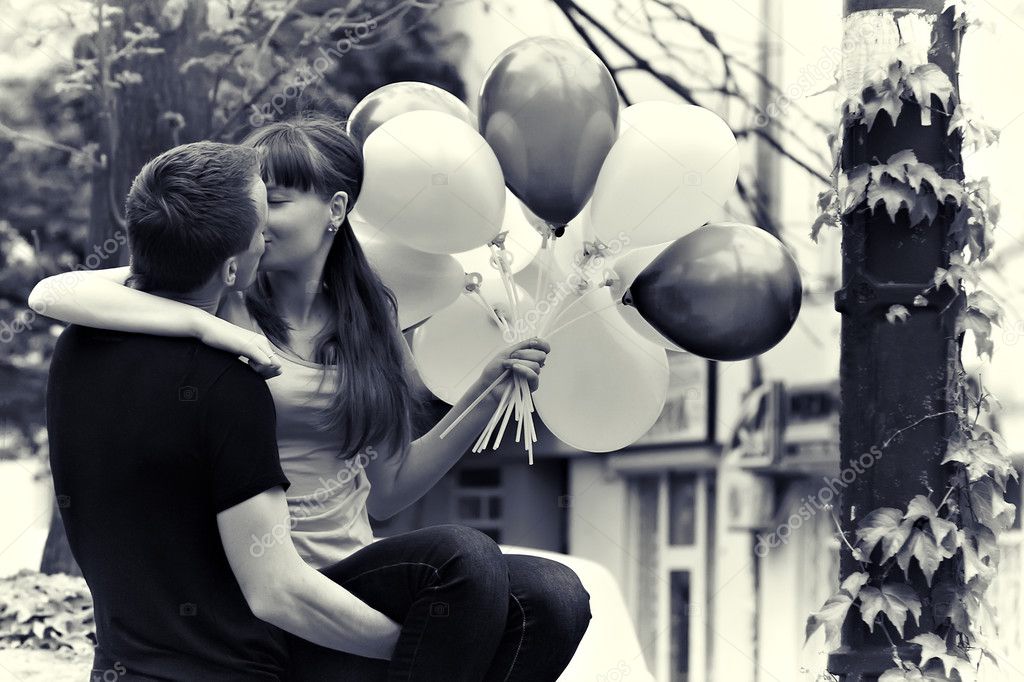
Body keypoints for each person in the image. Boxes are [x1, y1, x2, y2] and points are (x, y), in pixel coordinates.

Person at [33, 117, 591, 681]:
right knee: (465, 561)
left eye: (272, 202)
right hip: (261, 582)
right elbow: (59, 291)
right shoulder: (223, 289)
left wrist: (484, 395)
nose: (257, 222)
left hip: (348, 571)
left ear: (336, 209)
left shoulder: (374, 318)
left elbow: (388, 489)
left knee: (554, 597)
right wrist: (207, 328)